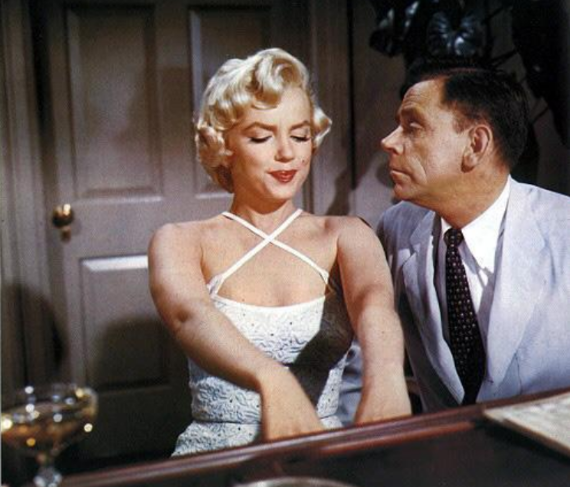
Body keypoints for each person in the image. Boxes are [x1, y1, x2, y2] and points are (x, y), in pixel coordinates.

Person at [148, 48, 411, 455]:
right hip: (218, 456)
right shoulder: (180, 240)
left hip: (321, 452)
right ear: (223, 145)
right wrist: (273, 380)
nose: (287, 152)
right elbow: (189, 316)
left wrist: (387, 375)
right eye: (261, 136)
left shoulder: (346, 234)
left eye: (300, 135)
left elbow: (374, 303)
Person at [378, 63, 570, 411]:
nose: (389, 142)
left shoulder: (564, 231)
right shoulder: (395, 228)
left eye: (412, 127)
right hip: (444, 445)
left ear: (475, 144)